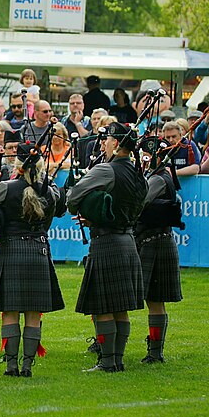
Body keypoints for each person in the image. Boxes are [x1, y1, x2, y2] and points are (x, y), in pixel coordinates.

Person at [0, 149, 66, 377]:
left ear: (18, 166)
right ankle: (27, 366)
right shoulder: (51, 192)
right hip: (39, 250)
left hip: (10, 249)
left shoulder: (6, 187)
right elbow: (49, 220)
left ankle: (11, 365)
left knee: (10, 311)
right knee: (34, 312)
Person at [67, 122, 147, 373]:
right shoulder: (139, 174)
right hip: (128, 241)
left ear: (118, 144)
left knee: (103, 307)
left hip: (106, 241)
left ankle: (107, 361)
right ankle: (118, 359)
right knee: (121, 307)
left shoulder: (106, 170)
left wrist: (88, 211)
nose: (103, 143)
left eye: (107, 139)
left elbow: (73, 196)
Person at [136, 136, 183, 364]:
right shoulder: (156, 175)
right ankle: (155, 351)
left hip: (155, 242)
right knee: (154, 301)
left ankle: (155, 351)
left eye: (145, 154)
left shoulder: (159, 179)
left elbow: (140, 201)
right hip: (153, 241)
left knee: (155, 300)